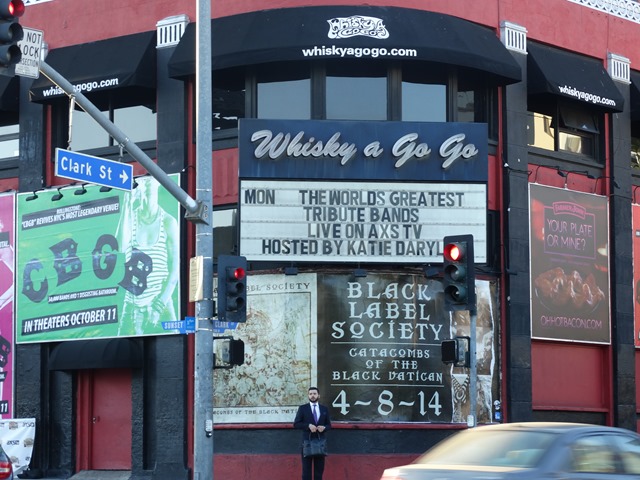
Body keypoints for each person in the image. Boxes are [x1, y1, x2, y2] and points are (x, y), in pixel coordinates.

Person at [117, 177, 180, 336]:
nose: (148, 182)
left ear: (158, 185)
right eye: (144, 181)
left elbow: (175, 269)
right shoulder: (131, 218)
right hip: (132, 303)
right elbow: (121, 247)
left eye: (152, 180)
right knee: (121, 348)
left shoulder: (168, 222)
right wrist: (127, 203)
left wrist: (159, 306)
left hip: (160, 301)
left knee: (172, 345)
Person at [293, 386, 331, 480]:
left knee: (319, 471)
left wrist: (324, 428)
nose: (312, 396)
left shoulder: (324, 409)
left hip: (320, 443)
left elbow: (329, 425)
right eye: (310, 394)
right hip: (307, 444)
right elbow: (296, 424)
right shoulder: (303, 408)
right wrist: (308, 426)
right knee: (306, 472)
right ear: (308, 395)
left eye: (314, 394)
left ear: (319, 395)